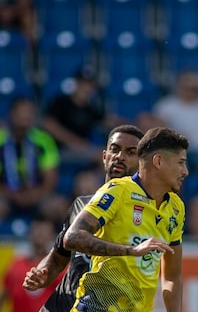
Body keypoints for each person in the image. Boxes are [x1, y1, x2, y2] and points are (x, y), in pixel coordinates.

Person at [62, 127, 189, 312]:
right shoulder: (118, 191)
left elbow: (172, 276)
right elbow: (72, 237)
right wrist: (131, 251)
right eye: (180, 163)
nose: (185, 171)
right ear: (158, 161)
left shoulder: (176, 207)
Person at [21, 124, 144, 312]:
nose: (120, 156)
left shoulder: (144, 214)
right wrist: (42, 274)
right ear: (104, 157)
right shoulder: (81, 205)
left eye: (130, 152)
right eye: (115, 149)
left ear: (142, 163)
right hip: (62, 305)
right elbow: (58, 257)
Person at [0, 96, 62, 225]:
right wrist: (11, 194)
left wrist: (35, 195)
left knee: (59, 207)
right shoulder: (2, 139)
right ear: (11, 114)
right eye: (21, 113)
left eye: (28, 113)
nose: (25, 117)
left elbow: (50, 179)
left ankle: (57, 242)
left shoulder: (43, 140)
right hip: (6, 195)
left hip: (37, 194)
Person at [42, 65, 108, 164]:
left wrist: (133, 124)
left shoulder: (91, 109)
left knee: (109, 155)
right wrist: (74, 141)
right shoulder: (61, 102)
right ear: (76, 84)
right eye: (83, 84)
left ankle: (89, 178)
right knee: (102, 156)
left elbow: (108, 120)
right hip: (57, 149)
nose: (86, 88)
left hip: (80, 150)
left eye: (90, 85)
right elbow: (48, 125)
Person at [0, 215, 59, 312]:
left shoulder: (58, 267)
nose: (40, 234)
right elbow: (4, 294)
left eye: (44, 231)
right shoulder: (16, 265)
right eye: (37, 230)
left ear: (52, 236)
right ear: (29, 234)